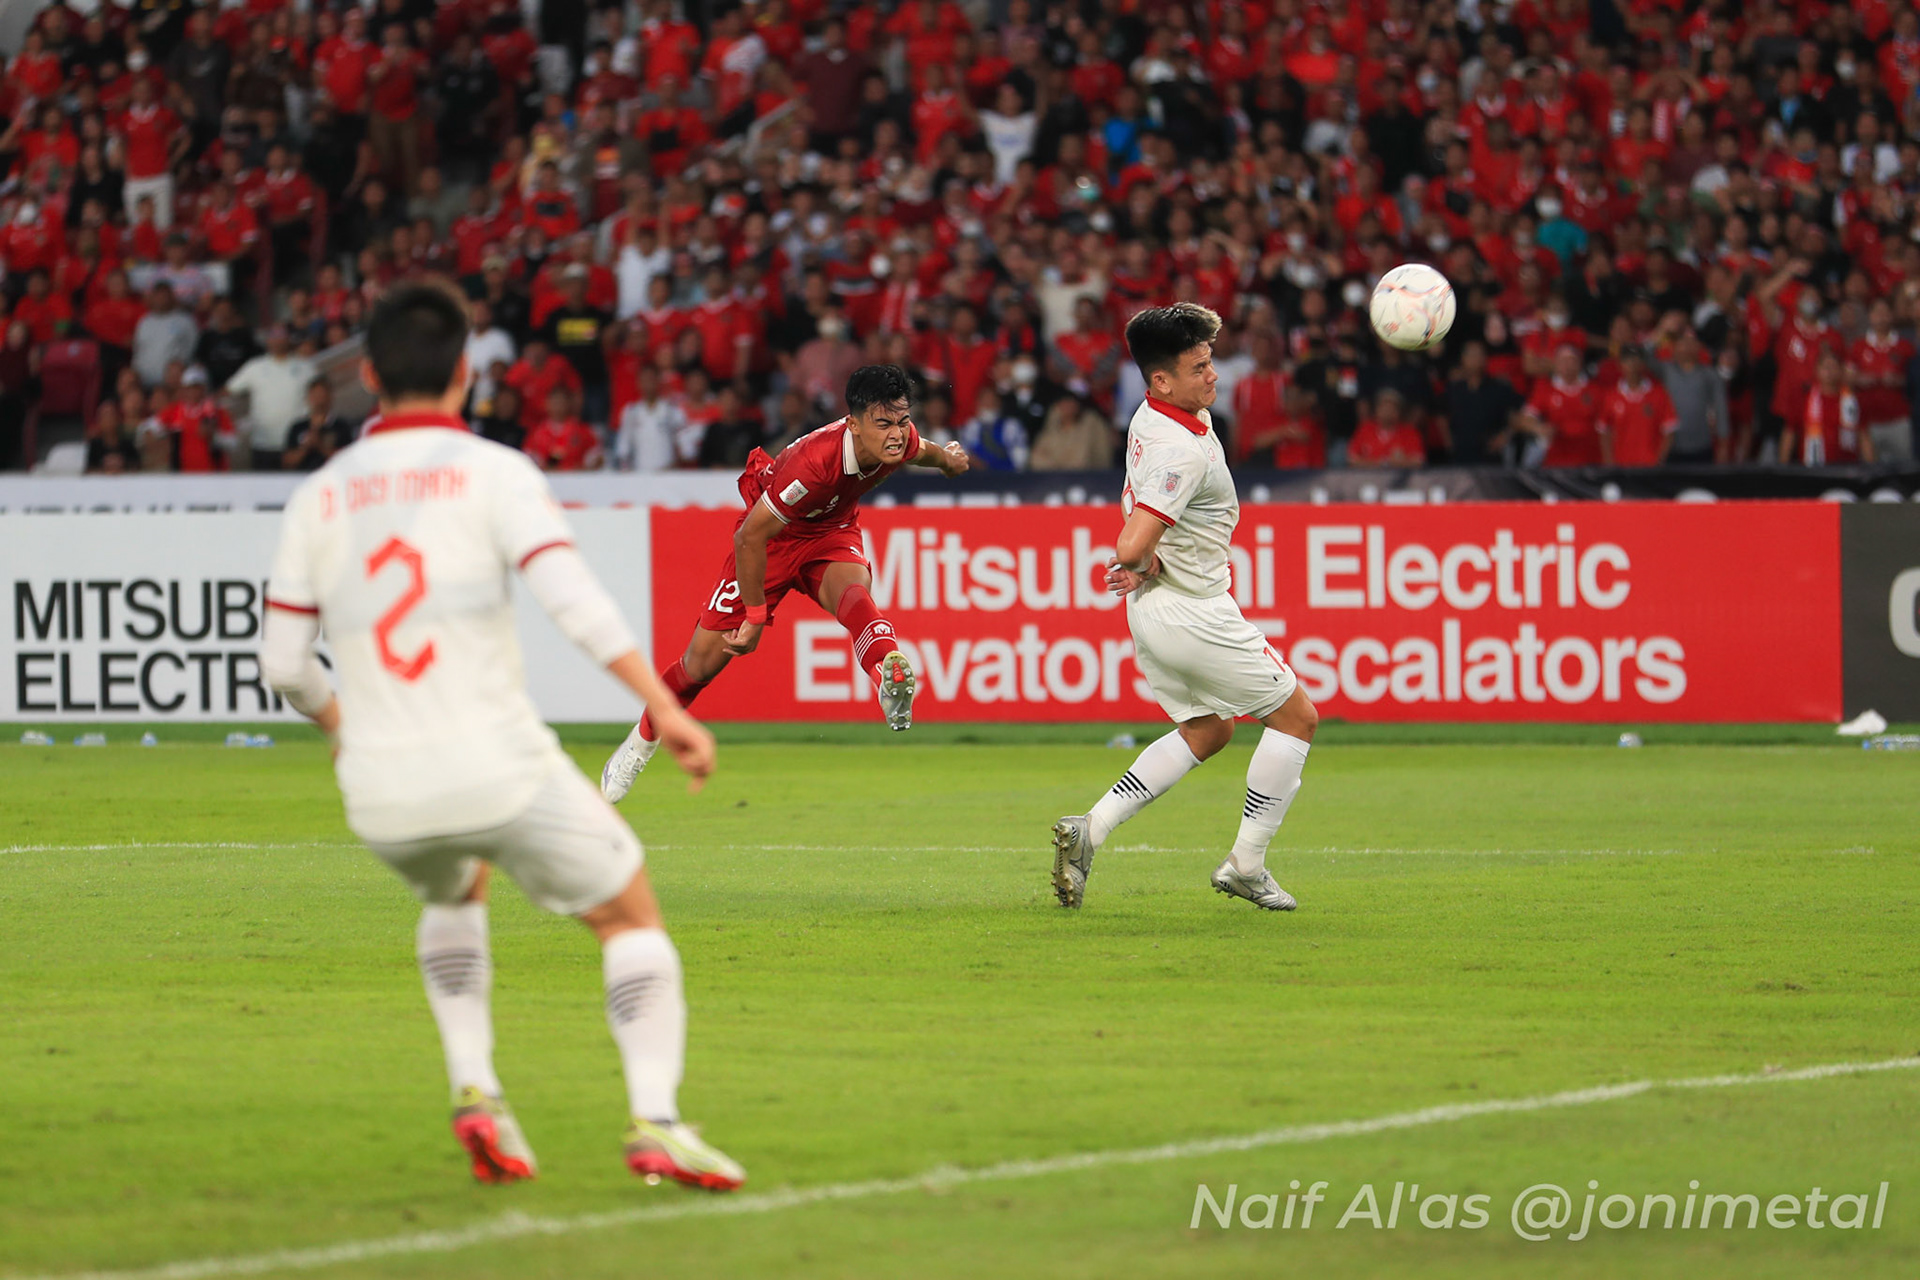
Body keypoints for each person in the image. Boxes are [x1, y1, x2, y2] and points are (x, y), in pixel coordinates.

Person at [260, 279, 745, 1192]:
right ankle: (657, 1119)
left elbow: (285, 664)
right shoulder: (494, 471)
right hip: (497, 764)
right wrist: (669, 708)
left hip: (381, 789)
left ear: (369, 377)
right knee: (628, 915)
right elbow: (575, 602)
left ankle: (476, 1088)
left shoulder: (318, 496)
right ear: (466, 375)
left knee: (455, 887)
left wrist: (339, 726)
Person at [1051, 304, 1317, 913]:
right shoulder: (1182, 451)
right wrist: (1143, 560)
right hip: (1194, 611)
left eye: (1210, 361)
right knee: (1297, 719)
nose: (1213, 375)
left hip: (1154, 608)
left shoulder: (1154, 414)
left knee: (1209, 729)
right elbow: (1130, 546)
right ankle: (1246, 865)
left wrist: (1149, 565)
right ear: (1162, 380)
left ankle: (1090, 829)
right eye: (1199, 368)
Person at [600, 364, 970, 799]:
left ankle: (886, 677)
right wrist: (755, 616)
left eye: (903, 421)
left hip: (830, 531)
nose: (896, 434)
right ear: (853, 424)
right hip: (770, 542)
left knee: (854, 593)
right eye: (883, 424)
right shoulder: (814, 465)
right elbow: (750, 537)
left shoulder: (901, 440)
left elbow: (923, 450)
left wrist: (948, 461)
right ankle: (639, 745)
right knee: (698, 667)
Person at [225, 325, 318, 471]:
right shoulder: (254, 367)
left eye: (281, 336)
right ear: (267, 340)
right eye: (273, 336)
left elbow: (319, 400)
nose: (277, 340)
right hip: (263, 445)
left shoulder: (306, 368)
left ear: (289, 339)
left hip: (296, 445)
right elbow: (229, 390)